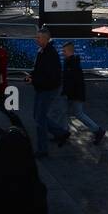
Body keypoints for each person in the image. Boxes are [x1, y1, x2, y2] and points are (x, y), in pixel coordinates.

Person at [24, 29, 68, 157]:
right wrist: (32, 76)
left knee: (39, 119)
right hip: (43, 87)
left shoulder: (49, 54)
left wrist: (33, 79)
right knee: (38, 116)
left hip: (48, 89)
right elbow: (39, 70)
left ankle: (43, 149)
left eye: (38, 37)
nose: (36, 39)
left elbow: (49, 76)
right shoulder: (42, 51)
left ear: (45, 39)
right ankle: (60, 132)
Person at [61, 41, 105, 143]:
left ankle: (98, 130)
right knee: (68, 113)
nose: (62, 52)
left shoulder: (71, 64)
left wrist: (66, 92)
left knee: (77, 113)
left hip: (75, 94)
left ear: (68, 51)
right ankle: (64, 132)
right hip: (75, 93)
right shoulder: (71, 62)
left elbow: (72, 81)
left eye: (64, 51)